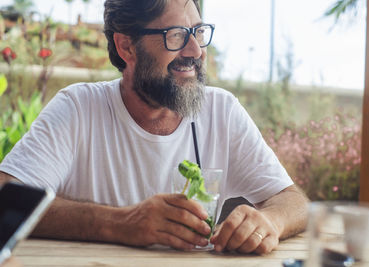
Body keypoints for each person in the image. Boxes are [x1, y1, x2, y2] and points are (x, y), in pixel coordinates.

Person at [0, 0, 308, 254]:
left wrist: (271, 221)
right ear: (126, 47)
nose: (195, 51)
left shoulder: (221, 110)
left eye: (198, 33)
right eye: (175, 35)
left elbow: (294, 201)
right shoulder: (78, 108)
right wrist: (121, 223)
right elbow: (5, 198)